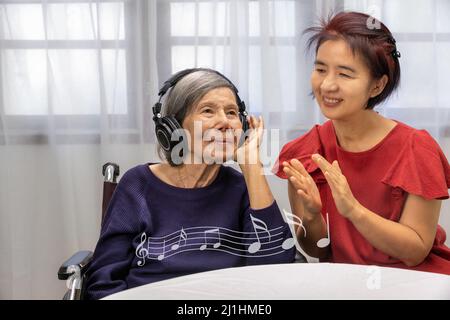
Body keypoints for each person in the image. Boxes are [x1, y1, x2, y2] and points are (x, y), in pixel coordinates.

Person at [85, 68, 296, 299]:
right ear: (174, 127)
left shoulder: (243, 188)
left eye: (232, 112)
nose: (224, 122)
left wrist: (252, 166)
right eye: (207, 111)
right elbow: (103, 282)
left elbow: (276, 269)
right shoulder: (137, 185)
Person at [273, 12, 450, 274]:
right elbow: (317, 250)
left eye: (345, 74)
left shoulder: (416, 148)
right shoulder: (305, 152)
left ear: (377, 86)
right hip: (347, 285)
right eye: (321, 69)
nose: (327, 85)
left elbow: (415, 252)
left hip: (419, 283)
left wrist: (353, 210)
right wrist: (311, 216)